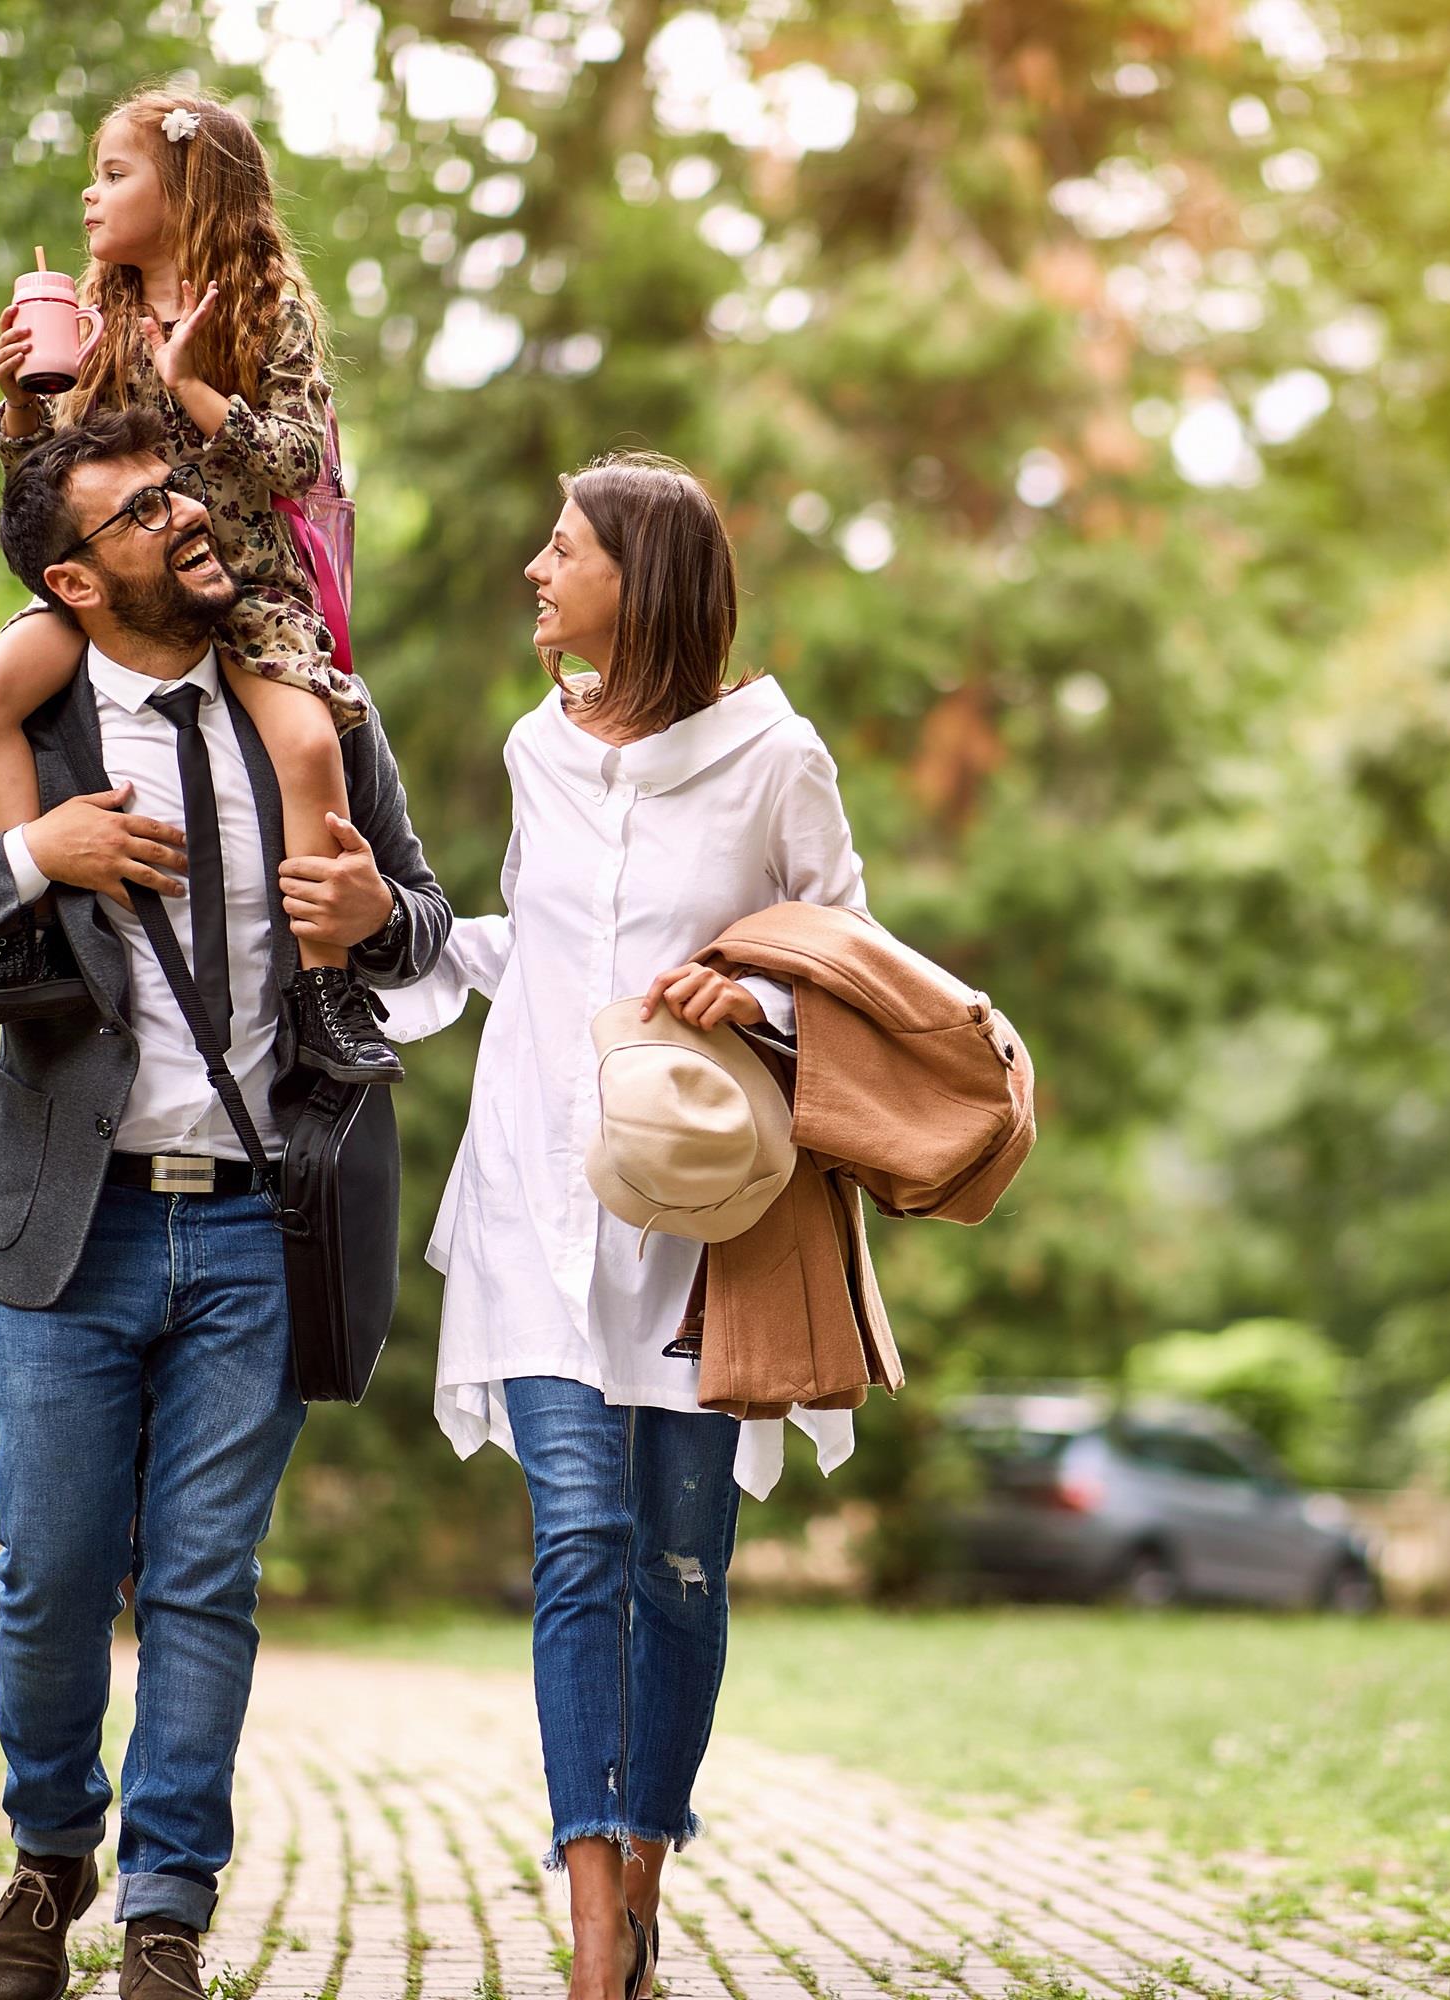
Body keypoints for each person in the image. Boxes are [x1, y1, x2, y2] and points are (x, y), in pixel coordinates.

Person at [0, 405, 450, 2000]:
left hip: (259, 1221)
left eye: (179, 489)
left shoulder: (312, 712)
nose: (185, 518)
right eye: (138, 513)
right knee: (49, 1574)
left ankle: (168, 1907)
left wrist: (380, 916)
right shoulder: (19, 745)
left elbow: (427, 927)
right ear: (73, 578)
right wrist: (35, 853)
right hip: (70, 1227)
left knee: (203, 1579)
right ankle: (53, 1856)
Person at [381, 451, 868, 2000]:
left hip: (703, 1217)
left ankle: (645, 1862)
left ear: (638, 580)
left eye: (564, 546)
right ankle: (596, 1935)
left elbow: (846, 949)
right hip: (540, 1190)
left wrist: (765, 991)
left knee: (678, 1566)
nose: (535, 567)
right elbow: (542, 937)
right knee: (578, 1542)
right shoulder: (539, 747)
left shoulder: (773, 756)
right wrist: (412, 946)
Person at [0, 83, 401, 1088]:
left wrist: (192, 390)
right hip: (129, 591)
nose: (89, 197)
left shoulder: (271, 313)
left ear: (183, 191)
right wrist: (21, 408)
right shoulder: (98, 315)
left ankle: (322, 990)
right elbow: (53, 506)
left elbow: (302, 462)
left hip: (245, 587)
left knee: (310, 741)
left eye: (113, 174)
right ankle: (29, 939)